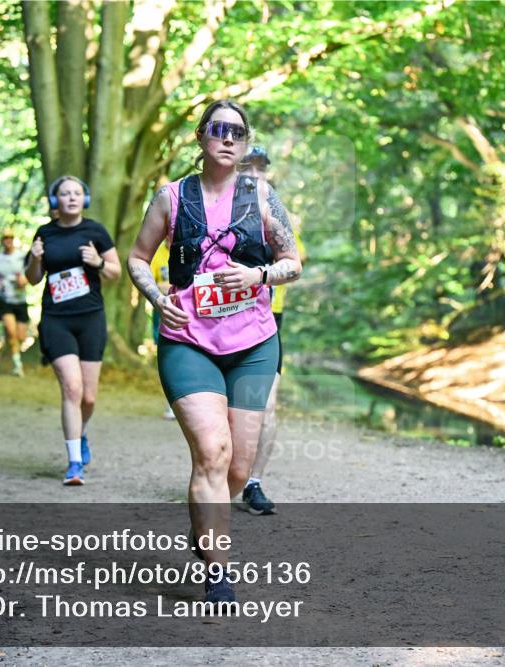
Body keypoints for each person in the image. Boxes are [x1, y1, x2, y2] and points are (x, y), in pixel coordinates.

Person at [127, 100, 302, 605]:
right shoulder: (171, 197)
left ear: (245, 143)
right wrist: (159, 299)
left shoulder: (263, 197)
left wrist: (259, 274)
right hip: (188, 341)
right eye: (218, 129)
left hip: (252, 344)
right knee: (211, 451)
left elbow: (292, 262)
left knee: (238, 469)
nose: (228, 138)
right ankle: (218, 571)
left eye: (237, 132)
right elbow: (139, 257)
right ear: (201, 137)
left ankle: (205, 525)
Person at [24, 175, 121, 486]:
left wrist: (97, 262)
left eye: (76, 193)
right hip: (56, 319)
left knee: (89, 398)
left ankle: (81, 432)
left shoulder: (96, 231)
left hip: (91, 318)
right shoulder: (44, 233)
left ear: (85, 198)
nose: (70, 198)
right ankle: (74, 463)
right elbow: (32, 278)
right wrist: (36, 260)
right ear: (55, 201)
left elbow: (116, 273)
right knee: (72, 389)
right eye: (64, 194)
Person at [236, 146, 307, 515]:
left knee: (267, 405)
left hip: (266, 322)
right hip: (219, 321)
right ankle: (219, 471)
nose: (254, 174)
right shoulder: (209, 211)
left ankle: (253, 482)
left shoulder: (277, 214)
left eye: (260, 169)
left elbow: (295, 265)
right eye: (247, 167)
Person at [0, 230, 29, 377]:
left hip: (21, 300)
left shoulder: (22, 256)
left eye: (10, 237)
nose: (8, 240)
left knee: (21, 336)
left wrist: (22, 281)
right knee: (11, 333)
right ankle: (17, 365)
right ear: (2, 240)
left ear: (14, 239)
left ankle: (15, 351)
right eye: (5, 238)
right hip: (5, 299)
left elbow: (30, 275)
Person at [149, 243, 176, 420]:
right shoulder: (157, 253)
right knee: (168, 357)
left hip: (192, 311)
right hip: (164, 310)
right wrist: (160, 287)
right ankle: (172, 404)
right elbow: (147, 279)